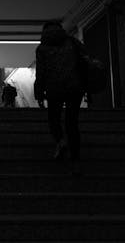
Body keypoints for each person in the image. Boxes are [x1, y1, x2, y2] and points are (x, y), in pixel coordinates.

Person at [34, 21, 86, 174]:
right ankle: (75, 155)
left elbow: (41, 72)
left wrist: (39, 93)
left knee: (54, 118)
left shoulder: (42, 48)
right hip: (74, 87)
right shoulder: (72, 42)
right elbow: (84, 60)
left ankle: (61, 141)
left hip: (53, 89)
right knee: (72, 121)